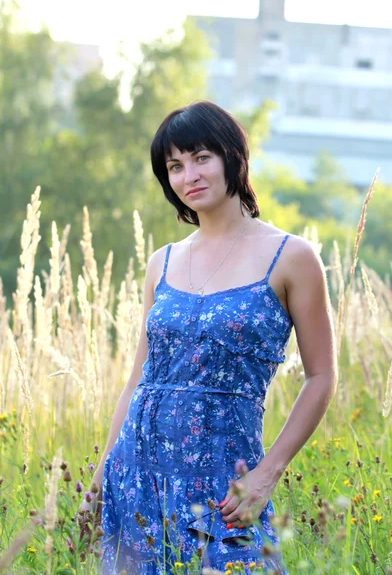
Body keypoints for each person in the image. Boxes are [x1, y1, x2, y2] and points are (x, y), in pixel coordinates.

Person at [86, 100, 338, 574]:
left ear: (233, 157)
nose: (189, 176)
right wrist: (100, 478)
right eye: (175, 166)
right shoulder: (161, 261)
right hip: (137, 476)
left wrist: (267, 475)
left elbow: (322, 376)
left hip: (226, 486)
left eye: (202, 157)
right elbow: (139, 378)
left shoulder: (291, 256)